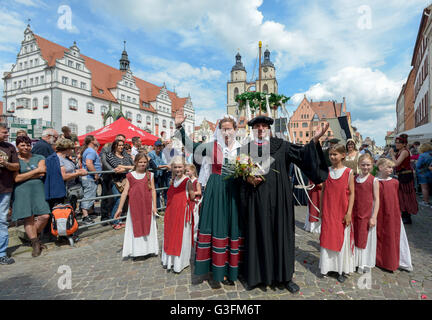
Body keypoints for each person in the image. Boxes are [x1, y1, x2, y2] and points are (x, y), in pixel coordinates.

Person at [238, 115, 329, 292]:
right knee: (257, 233)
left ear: (269, 129)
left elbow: (303, 155)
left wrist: (315, 139)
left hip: (280, 200)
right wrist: (247, 178)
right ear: (253, 130)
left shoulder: (282, 146)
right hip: (256, 200)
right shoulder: (245, 149)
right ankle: (256, 277)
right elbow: (238, 174)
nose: (261, 129)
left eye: (264, 126)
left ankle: (285, 277)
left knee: (281, 234)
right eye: (257, 126)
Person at [174, 112, 243, 285]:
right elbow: (191, 146)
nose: (227, 133)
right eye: (224, 129)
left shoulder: (242, 148)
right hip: (216, 189)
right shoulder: (211, 146)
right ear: (219, 130)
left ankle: (231, 268)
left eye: (230, 129)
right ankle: (216, 268)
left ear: (235, 130)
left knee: (231, 227)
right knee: (217, 226)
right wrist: (180, 128)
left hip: (234, 191)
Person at [319, 144, 355, 283]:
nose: (332, 157)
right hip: (329, 210)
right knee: (327, 237)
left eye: (335, 154)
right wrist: (322, 209)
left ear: (343, 155)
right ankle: (327, 267)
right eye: (330, 154)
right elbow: (323, 192)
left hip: (342, 211)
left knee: (341, 239)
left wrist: (349, 213)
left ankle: (340, 269)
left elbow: (352, 194)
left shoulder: (348, 172)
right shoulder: (326, 171)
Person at [12, 135, 51, 257]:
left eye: (28, 145)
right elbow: (16, 178)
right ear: (17, 146)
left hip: (38, 189)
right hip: (21, 191)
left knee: (44, 215)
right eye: (22, 145)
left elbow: (43, 171)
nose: (26, 147)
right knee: (28, 217)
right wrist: (35, 172)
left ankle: (33, 237)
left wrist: (26, 175)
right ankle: (35, 243)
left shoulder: (39, 157)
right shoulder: (14, 160)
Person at [114, 153, 159, 258]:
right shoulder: (130, 175)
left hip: (147, 205)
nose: (143, 164)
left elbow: (153, 190)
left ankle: (149, 249)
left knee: (148, 226)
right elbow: (125, 192)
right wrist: (120, 208)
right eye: (140, 162)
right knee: (136, 226)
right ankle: (138, 251)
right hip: (135, 207)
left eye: (144, 162)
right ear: (136, 163)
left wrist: (155, 206)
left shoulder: (150, 175)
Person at [375, 158, 413, 272]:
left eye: (392, 167)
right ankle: (378, 259)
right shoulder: (375, 181)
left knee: (392, 235)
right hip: (379, 212)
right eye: (388, 167)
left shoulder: (395, 182)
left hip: (392, 213)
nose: (391, 170)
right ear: (380, 168)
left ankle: (392, 260)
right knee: (379, 235)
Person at [161, 156, 193, 273]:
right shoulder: (173, 180)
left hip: (182, 212)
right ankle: (171, 260)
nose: (178, 169)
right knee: (171, 234)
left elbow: (192, 195)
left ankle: (180, 262)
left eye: (180, 167)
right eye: (175, 167)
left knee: (181, 236)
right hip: (172, 211)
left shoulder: (187, 181)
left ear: (184, 167)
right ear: (172, 168)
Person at [353, 153, 379, 273]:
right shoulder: (354, 178)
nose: (365, 167)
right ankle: (354, 261)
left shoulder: (373, 180)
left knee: (364, 238)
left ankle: (363, 262)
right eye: (363, 165)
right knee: (355, 236)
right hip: (355, 212)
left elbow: (376, 199)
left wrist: (374, 217)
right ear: (359, 165)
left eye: (368, 165)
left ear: (372, 165)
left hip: (367, 213)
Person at [0, 123, 19, 265]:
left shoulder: (10, 148)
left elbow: (16, 166)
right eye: (4, 132)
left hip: (5, 188)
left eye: (7, 132)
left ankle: (1, 253)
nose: (7, 134)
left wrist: (6, 164)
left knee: (2, 220)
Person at [389, 134, 418, 224]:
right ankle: (404, 213)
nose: (397, 144)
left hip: (406, 175)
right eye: (396, 142)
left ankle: (407, 216)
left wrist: (392, 155)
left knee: (406, 195)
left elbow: (397, 163)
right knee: (401, 196)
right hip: (402, 175)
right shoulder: (400, 151)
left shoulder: (405, 151)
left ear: (404, 144)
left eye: (399, 143)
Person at [106, 139, 134, 229]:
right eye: (119, 145)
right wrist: (126, 168)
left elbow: (134, 166)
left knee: (123, 200)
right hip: (115, 181)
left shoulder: (125, 154)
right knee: (118, 199)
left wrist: (124, 167)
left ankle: (119, 219)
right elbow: (116, 167)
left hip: (126, 180)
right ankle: (114, 221)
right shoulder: (110, 155)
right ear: (115, 146)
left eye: (122, 145)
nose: (121, 147)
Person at [100, 134, 126, 222]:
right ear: (115, 139)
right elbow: (104, 161)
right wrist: (113, 170)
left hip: (118, 177)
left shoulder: (122, 150)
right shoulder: (106, 148)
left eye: (123, 141)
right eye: (119, 139)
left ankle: (114, 215)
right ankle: (104, 216)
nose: (121, 142)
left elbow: (125, 159)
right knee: (105, 196)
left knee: (115, 198)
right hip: (107, 176)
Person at [56, 138, 87, 211]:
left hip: (72, 190)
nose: (73, 150)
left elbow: (71, 170)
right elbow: (63, 176)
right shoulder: (59, 159)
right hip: (65, 192)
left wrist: (78, 170)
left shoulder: (66, 158)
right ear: (66, 148)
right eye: (71, 148)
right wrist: (78, 173)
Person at [80, 135, 101, 225]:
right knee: (88, 196)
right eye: (96, 139)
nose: (97, 141)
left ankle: (88, 213)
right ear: (92, 141)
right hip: (90, 178)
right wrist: (95, 173)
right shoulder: (91, 151)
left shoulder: (88, 150)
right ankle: (85, 216)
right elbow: (89, 163)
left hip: (89, 177)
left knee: (90, 195)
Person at [148, 140, 170, 211]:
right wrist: (166, 165)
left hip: (160, 174)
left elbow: (162, 162)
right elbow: (155, 165)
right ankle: (157, 208)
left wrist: (166, 165)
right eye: (157, 146)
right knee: (156, 191)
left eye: (160, 146)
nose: (158, 147)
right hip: (154, 175)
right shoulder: (151, 153)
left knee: (160, 191)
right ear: (154, 146)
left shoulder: (161, 153)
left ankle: (160, 208)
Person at [185, 163, 202, 243]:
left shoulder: (196, 181)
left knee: (195, 219)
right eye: (185, 171)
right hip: (189, 202)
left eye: (188, 171)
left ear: (193, 171)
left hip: (195, 202)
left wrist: (191, 193)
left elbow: (199, 192)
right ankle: (189, 235)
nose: (186, 173)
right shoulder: (187, 181)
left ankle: (195, 236)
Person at [416, 143, 432, 207]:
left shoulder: (422, 155)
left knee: (424, 188)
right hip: (430, 172)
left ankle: (425, 201)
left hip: (423, 173)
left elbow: (418, 165)